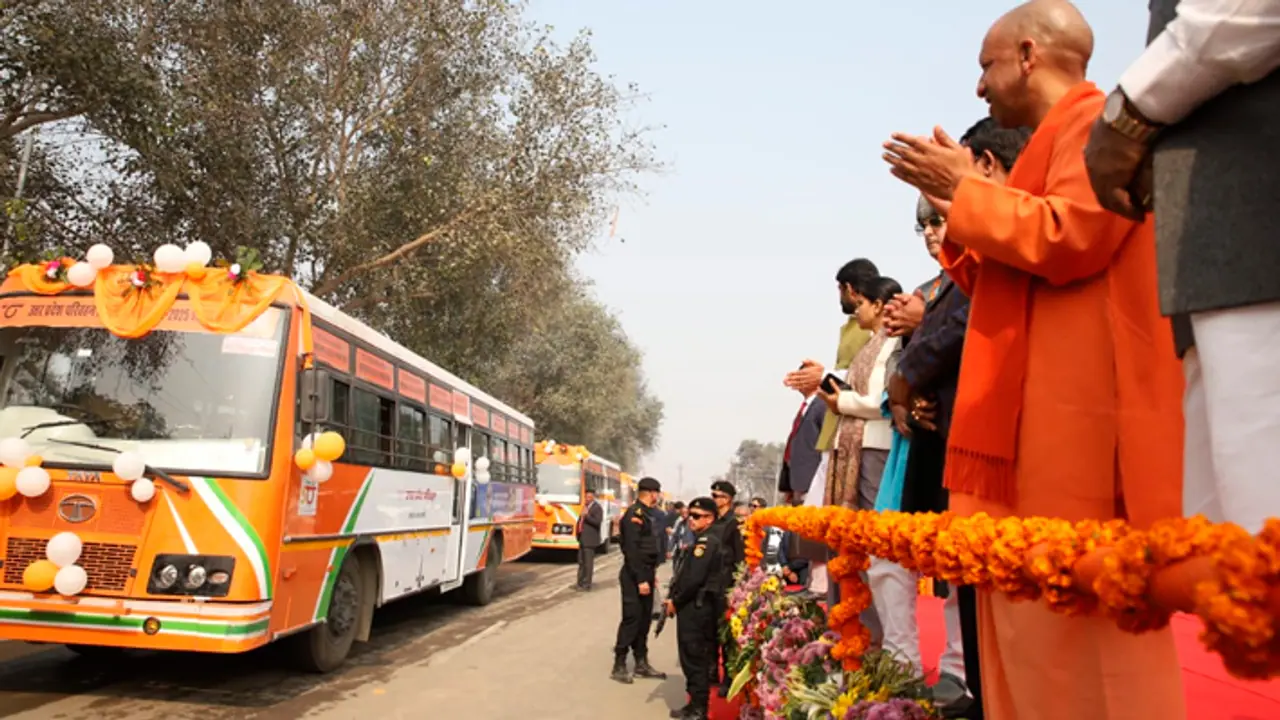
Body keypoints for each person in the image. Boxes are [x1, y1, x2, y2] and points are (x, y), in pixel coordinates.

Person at [882, 2, 1186, 718]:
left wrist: (967, 191)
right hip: (1028, 426)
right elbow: (1007, 272)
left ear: (1027, 54)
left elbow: (1073, 236)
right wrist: (962, 203)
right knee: (1021, 626)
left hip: (1077, 423)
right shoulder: (1049, 142)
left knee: (1080, 627)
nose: (979, 90)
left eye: (985, 67)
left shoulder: (1098, 125)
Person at [1082, 0, 1280, 534]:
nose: (981, 85)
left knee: (1260, 536)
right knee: (1228, 556)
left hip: (1257, 240)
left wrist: (1134, 108)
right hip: (1216, 262)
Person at [885, 118, 1033, 720]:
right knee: (965, 581)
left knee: (984, 582)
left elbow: (958, 324)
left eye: (937, 213)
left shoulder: (1002, 238)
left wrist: (904, 377)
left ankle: (979, 688)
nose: (931, 229)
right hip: (958, 432)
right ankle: (976, 689)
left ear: (990, 169)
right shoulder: (964, 261)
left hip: (990, 433)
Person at [783, 258, 881, 600]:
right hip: (840, 432)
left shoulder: (876, 331)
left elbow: (866, 386)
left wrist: (823, 380)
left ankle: (834, 592)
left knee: (845, 525)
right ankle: (826, 590)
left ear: (852, 291)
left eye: (841, 290)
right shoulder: (854, 328)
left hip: (863, 435)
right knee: (822, 521)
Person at [664, 496, 723, 720]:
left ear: (709, 518)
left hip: (697, 607)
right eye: (690, 515)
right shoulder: (702, 539)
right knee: (691, 656)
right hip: (694, 606)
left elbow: (693, 580)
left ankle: (699, 709)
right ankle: (694, 704)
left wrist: (675, 602)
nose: (691, 520)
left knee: (694, 657)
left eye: (697, 516)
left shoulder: (706, 543)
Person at [612, 476, 668, 684]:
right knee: (631, 619)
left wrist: (650, 576)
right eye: (657, 493)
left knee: (644, 620)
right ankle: (619, 664)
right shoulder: (634, 515)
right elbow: (632, 551)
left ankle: (641, 662)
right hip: (634, 574)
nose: (658, 497)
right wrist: (640, 580)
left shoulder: (647, 514)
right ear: (652, 493)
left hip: (647, 572)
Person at [708, 480, 745, 696]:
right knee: (710, 631)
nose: (715, 499)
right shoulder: (713, 522)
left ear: (728, 499)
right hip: (711, 584)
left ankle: (729, 677)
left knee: (727, 635)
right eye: (713, 495)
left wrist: (737, 588)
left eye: (718, 496)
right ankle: (712, 672)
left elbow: (740, 558)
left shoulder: (734, 524)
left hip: (727, 585)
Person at [575, 489, 604, 591]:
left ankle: (587, 584)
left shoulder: (597, 508)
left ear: (593, 498)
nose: (586, 499)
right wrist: (577, 534)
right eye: (586, 497)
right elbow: (579, 521)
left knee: (588, 564)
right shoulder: (585, 507)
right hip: (582, 539)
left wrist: (587, 516)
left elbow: (597, 522)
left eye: (589, 497)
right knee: (581, 562)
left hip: (590, 540)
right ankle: (579, 582)